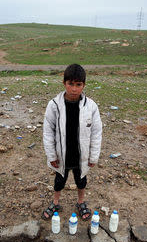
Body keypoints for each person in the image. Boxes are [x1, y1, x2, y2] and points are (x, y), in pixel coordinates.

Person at [42, 64, 102, 221]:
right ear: (64, 83)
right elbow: (48, 132)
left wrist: (93, 156)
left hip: (81, 154)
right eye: (70, 84)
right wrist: (51, 155)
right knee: (59, 179)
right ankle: (55, 202)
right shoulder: (54, 105)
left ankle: (81, 202)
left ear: (84, 85)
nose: (74, 89)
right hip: (62, 153)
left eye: (78, 85)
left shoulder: (91, 107)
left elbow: (96, 133)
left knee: (81, 179)